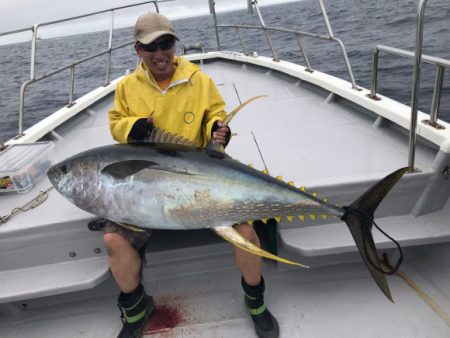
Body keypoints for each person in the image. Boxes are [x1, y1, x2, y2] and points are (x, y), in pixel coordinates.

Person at [106, 12, 279, 338]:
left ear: (175, 43)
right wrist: (132, 126)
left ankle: (255, 301)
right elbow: (116, 123)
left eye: (166, 43)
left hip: (200, 182)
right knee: (113, 240)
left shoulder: (198, 79)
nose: (160, 53)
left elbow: (216, 114)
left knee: (247, 232)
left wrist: (218, 130)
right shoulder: (127, 88)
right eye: (151, 46)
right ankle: (136, 308)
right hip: (147, 186)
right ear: (137, 50)